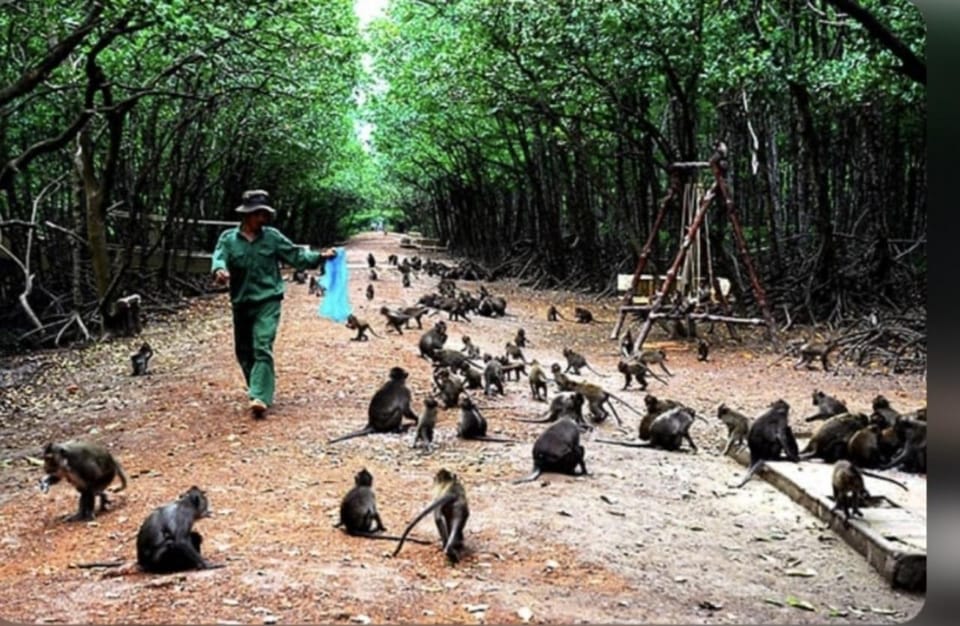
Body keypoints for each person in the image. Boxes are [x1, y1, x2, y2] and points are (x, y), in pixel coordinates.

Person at [211, 189, 336, 419]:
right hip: (241, 302)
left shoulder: (273, 237)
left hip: (268, 300)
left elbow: (296, 256)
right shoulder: (228, 239)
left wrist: (321, 256)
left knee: (262, 345)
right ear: (248, 215)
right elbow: (219, 258)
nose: (263, 218)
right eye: (259, 213)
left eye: (265, 214)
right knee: (244, 351)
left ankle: (260, 396)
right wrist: (219, 270)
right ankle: (257, 385)